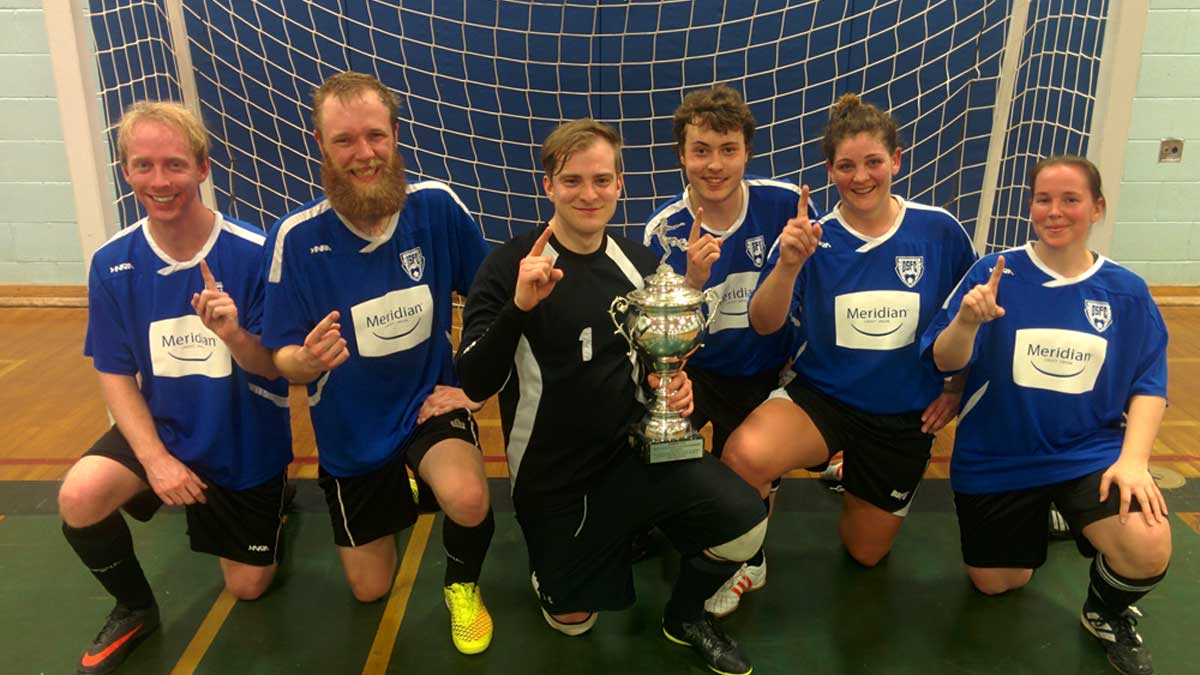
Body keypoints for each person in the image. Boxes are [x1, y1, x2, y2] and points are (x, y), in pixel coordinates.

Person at [457, 119, 767, 675]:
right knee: (573, 622)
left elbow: (653, 353)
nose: (588, 194)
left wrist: (672, 381)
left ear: (620, 184)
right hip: (554, 479)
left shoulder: (638, 264)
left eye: (602, 180)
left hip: (634, 455)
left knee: (748, 523)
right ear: (548, 185)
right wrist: (520, 308)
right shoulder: (509, 266)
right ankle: (562, 557)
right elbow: (475, 382)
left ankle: (686, 615)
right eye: (572, 181)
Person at [260, 72, 495, 655]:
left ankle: (462, 586)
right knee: (370, 590)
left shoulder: (436, 209)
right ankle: (398, 485)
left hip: (427, 406)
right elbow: (280, 358)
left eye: (374, 136)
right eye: (344, 141)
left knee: (468, 498)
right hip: (352, 434)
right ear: (321, 144)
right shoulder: (295, 238)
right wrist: (306, 360)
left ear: (395, 133)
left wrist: (473, 389)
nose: (363, 154)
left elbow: (494, 305)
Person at [59, 101, 293, 674]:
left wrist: (234, 331)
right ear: (126, 172)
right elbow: (113, 371)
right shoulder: (112, 262)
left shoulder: (256, 251)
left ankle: (276, 498)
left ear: (203, 168)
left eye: (174, 165)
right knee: (79, 497)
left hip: (243, 445)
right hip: (164, 432)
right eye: (143, 166)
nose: (159, 182)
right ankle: (135, 606)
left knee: (248, 588)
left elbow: (274, 368)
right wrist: (155, 459)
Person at [923, 155, 1171, 675]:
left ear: (1097, 208)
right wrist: (968, 320)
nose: (1054, 212)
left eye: (1070, 199)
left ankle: (1105, 611)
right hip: (998, 458)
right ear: (1030, 205)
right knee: (997, 583)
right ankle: (1053, 515)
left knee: (1147, 545)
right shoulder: (994, 275)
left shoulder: (1125, 291)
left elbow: (1149, 384)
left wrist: (1133, 462)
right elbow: (945, 360)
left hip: (1088, 453)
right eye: (1043, 199)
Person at [721, 93, 976, 569]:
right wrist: (788, 266)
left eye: (873, 162)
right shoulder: (810, 236)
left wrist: (956, 389)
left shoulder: (940, 231)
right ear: (830, 170)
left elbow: (973, 315)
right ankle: (747, 559)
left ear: (896, 160)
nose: (861, 177)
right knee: (745, 454)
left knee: (865, 553)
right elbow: (763, 323)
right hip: (824, 399)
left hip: (903, 416)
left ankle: (854, 469)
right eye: (846, 166)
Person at [642, 84, 820, 616]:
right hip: (695, 372)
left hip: (767, 368)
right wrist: (693, 280)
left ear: (747, 152)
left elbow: (807, 293)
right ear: (681, 155)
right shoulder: (663, 231)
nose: (714, 165)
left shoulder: (784, 205)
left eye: (728, 149)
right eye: (701, 151)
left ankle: (752, 556)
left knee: (749, 467)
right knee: (674, 474)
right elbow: (661, 338)